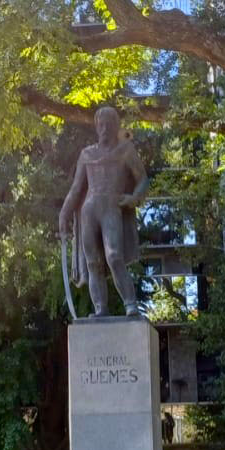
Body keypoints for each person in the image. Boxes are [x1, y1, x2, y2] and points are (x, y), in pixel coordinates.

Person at [59, 106, 149, 316]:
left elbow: (143, 179)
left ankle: (130, 305)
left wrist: (134, 198)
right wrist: (64, 214)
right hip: (89, 211)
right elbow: (76, 188)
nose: (105, 128)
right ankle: (100, 308)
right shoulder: (87, 154)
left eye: (109, 123)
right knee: (93, 263)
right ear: (96, 127)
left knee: (115, 256)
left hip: (111, 207)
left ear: (116, 126)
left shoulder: (125, 150)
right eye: (101, 124)